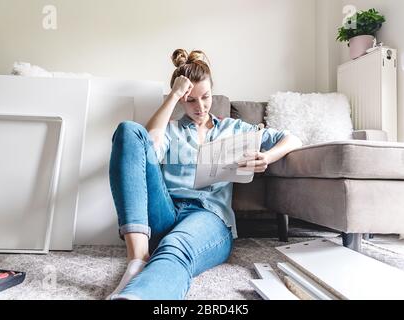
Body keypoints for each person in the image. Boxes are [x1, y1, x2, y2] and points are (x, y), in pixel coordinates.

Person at [107, 49, 302, 300]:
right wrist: (174, 94)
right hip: (164, 212)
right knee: (129, 130)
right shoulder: (172, 129)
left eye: (206, 97)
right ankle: (137, 260)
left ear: (212, 91)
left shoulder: (235, 128)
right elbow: (148, 142)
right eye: (191, 100)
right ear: (181, 100)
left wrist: (268, 156)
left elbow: (292, 138)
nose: (200, 107)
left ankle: (138, 296)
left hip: (208, 216)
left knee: (175, 247)